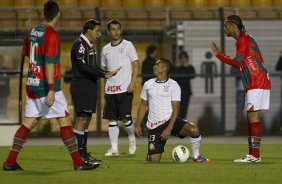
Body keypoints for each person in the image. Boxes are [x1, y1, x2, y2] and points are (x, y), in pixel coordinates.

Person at [3, 1, 96, 171]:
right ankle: (78, 163)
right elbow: (49, 62)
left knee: (29, 123)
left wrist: (30, 75)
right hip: (47, 86)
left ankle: (9, 162)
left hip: (32, 83)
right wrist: (52, 90)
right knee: (65, 120)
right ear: (58, 14)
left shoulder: (33, 30)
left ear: (44, 14)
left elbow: (25, 54)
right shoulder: (52, 34)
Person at [210, 15, 271, 163]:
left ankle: (255, 156)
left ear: (232, 26)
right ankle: (253, 155)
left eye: (226, 26)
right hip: (259, 80)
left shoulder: (242, 40)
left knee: (253, 119)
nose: (224, 29)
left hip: (256, 81)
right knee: (252, 119)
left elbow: (238, 63)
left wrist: (219, 55)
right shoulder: (245, 38)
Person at [135, 58, 210, 163]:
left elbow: (176, 108)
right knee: (154, 161)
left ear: (164, 68)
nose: (154, 66)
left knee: (194, 129)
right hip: (155, 126)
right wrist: (138, 124)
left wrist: (169, 128)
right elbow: (143, 104)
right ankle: (151, 153)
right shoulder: (148, 84)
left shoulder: (174, 85)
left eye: (157, 65)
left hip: (170, 121)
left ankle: (196, 156)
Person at [70, 19, 120, 163]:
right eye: (97, 31)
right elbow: (83, 67)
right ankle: (78, 155)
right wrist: (104, 74)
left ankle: (83, 153)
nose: (99, 34)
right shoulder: (80, 44)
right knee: (81, 119)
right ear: (89, 31)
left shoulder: (88, 45)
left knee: (86, 119)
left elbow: (94, 66)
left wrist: (107, 72)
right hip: (82, 85)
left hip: (89, 84)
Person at [101, 19, 139, 156]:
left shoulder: (128, 45)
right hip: (110, 90)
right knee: (112, 120)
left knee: (126, 119)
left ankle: (132, 141)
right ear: (108, 31)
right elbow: (104, 70)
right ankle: (114, 149)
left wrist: (133, 82)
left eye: (118, 29)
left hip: (125, 89)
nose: (116, 31)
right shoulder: (105, 49)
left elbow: (136, 64)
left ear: (120, 30)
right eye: (113, 29)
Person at [173, 51, 195, 119]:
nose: (183, 60)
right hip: (176, 93)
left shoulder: (190, 67)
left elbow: (192, 75)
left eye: (184, 58)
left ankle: (183, 126)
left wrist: (187, 67)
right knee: (176, 111)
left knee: (184, 111)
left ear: (187, 59)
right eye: (181, 58)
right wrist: (177, 68)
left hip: (186, 92)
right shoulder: (176, 67)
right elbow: (172, 77)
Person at [0, 55, 10, 120]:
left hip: (4, 91)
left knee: (3, 105)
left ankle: (2, 118)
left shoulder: (6, 69)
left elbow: (15, 73)